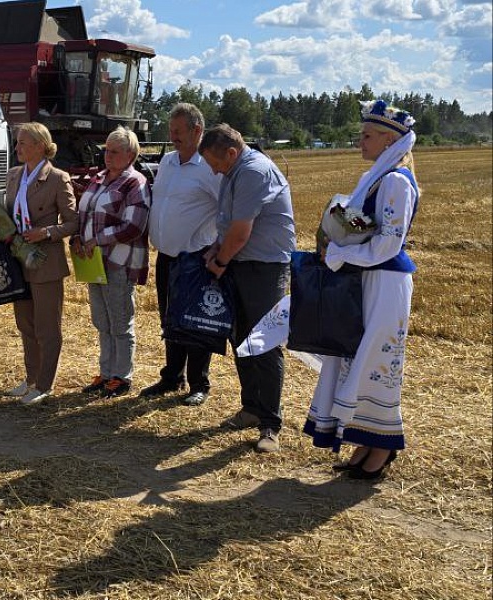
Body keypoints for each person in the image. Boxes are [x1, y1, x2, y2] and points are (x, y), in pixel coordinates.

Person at [303, 100, 420, 478]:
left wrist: (338, 252)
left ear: (389, 140)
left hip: (385, 281)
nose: (359, 142)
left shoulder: (396, 182)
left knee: (377, 361)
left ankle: (382, 444)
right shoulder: (378, 177)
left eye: (367, 135)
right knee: (359, 359)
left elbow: (390, 243)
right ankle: (369, 440)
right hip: (369, 278)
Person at [199, 124, 296, 453]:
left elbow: (241, 232)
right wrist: (216, 248)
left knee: (264, 341)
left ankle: (271, 422)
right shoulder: (233, 171)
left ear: (230, 151)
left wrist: (221, 261)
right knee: (240, 337)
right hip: (243, 263)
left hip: (264, 268)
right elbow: (228, 225)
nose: (213, 170)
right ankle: (252, 408)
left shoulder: (253, 171)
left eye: (215, 162)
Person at [0, 122, 78, 406]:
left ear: (40, 145)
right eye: (17, 143)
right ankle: (30, 379)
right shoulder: (14, 175)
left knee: (46, 327)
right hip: (18, 258)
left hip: (46, 262)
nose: (17, 148)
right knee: (25, 323)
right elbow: (8, 214)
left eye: (23, 143)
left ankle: (44, 384)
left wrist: (47, 232)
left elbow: (74, 222)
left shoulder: (58, 178)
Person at [140, 103, 222, 406]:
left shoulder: (209, 167)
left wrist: (218, 248)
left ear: (197, 131)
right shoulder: (168, 161)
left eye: (178, 131)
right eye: (170, 130)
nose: (172, 136)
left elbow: (225, 210)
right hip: (167, 256)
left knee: (196, 320)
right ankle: (172, 376)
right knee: (170, 318)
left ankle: (199, 383)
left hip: (196, 258)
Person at [72, 126, 150, 398]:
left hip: (118, 261)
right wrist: (79, 239)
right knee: (101, 321)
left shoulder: (135, 183)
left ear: (130, 154)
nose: (108, 156)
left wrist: (97, 239)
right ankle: (105, 374)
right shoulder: (98, 178)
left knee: (120, 322)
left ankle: (122, 376)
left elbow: (134, 226)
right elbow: (84, 215)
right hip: (93, 262)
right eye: (106, 150)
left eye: (115, 151)